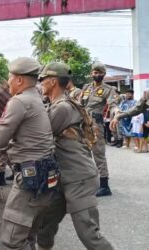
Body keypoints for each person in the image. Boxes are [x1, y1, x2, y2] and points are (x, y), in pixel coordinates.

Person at [0, 57, 58, 250]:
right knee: (29, 235)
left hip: (30, 178)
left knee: (13, 239)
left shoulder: (19, 101)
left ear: (19, 80)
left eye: (10, 78)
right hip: (46, 174)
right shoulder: (36, 99)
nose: (8, 83)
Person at [36, 62, 114, 250]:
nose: (40, 84)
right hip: (62, 179)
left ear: (53, 81)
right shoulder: (57, 105)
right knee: (44, 227)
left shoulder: (61, 108)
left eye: (42, 80)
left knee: (89, 235)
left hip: (79, 179)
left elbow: (38, 137)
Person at [79, 62, 119, 197]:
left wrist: (116, 113)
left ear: (104, 74)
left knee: (98, 154)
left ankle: (104, 185)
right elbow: (79, 104)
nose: (97, 75)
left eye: (99, 73)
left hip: (96, 125)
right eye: (95, 73)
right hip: (83, 124)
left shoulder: (109, 89)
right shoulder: (86, 88)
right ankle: (89, 182)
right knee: (84, 153)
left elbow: (113, 105)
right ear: (91, 74)